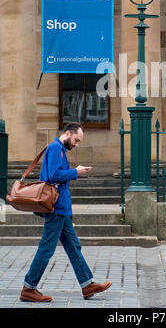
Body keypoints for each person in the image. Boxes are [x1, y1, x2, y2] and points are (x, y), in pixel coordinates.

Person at [20, 122, 111, 302]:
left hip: (62, 209)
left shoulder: (59, 149)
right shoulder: (55, 148)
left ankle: (87, 285)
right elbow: (54, 175)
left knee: (73, 246)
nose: (76, 144)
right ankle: (28, 288)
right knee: (47, 249)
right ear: (67, 133)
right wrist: (75, 172)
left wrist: (74, 172)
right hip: (56, 209)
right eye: (76, 140)